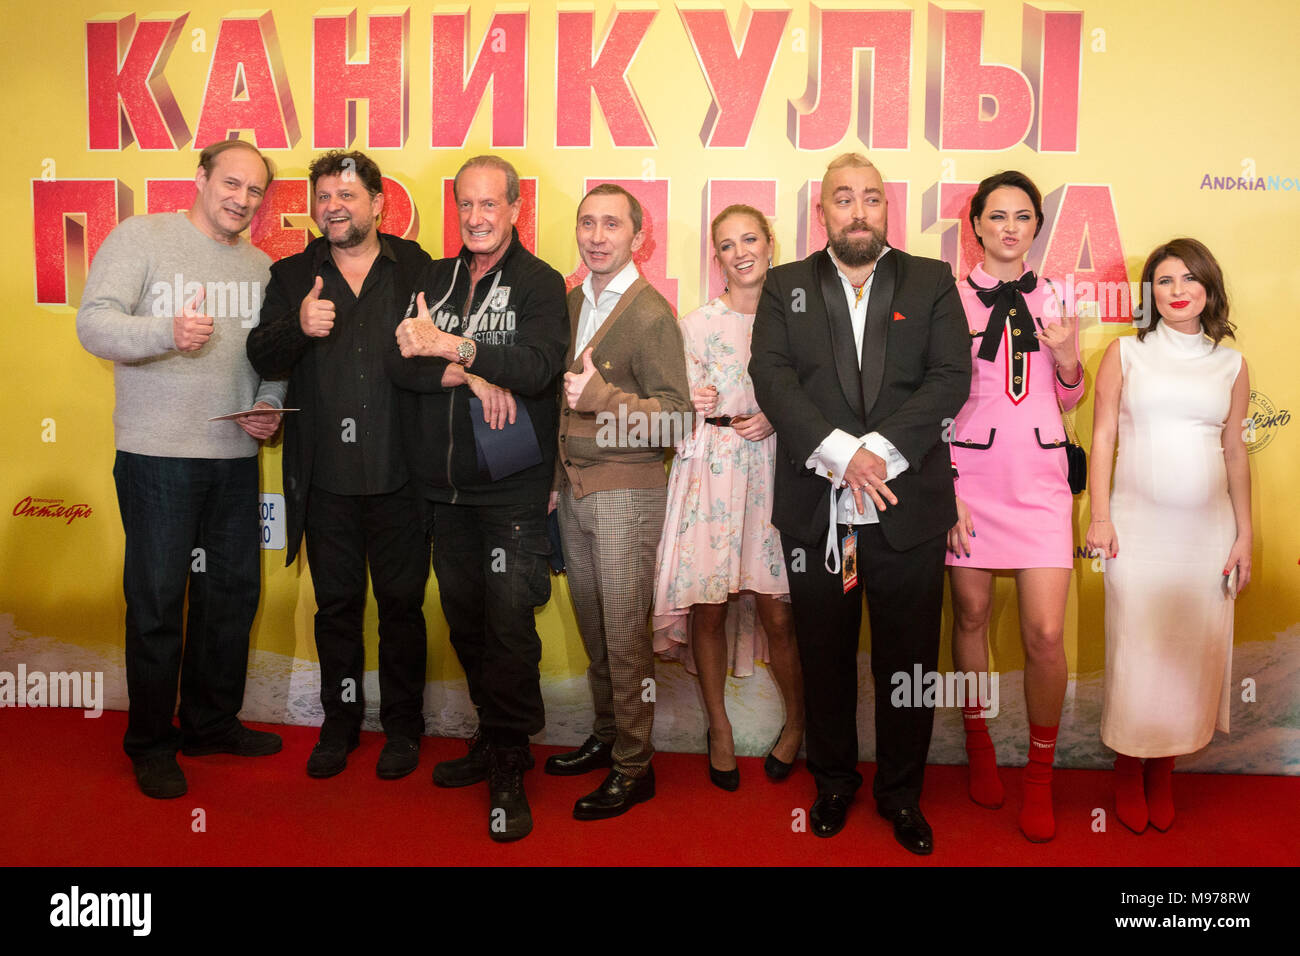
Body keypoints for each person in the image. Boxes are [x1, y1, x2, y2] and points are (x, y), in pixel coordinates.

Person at [749, 153, 971, 854]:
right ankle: (835, 781)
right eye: (842, 199)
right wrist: (845, 456)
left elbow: (948, 378)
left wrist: (878, 453)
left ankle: (902, 795)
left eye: (870, 198)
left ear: (885, 208)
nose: (857, 211)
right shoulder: (786, 286)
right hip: (820, 510)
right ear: (823, 211)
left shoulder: (931, 281)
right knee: (826, 654)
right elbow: (773, 379)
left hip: (907, 508)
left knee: (908, 665)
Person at [76, 138, 286, 799]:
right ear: (200, 178)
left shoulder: (261, 267)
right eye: (230, 183)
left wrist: (268, 405)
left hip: (233, 460)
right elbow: (94, 325)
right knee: (159, 603)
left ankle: (210, 723)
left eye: (254, 191)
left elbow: (270, 357)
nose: (240, 199)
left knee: (230, 600)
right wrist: (166, 332)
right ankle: (150, 742)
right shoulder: (142, 236)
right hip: (156, 456)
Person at [387, 155, 569, 842]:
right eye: (466, 204)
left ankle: (509, 760)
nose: (477, 217)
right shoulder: (434, 277)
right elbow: (395, 366)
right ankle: (494, 736)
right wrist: (468, 376)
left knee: (509, 626)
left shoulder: (541, 283)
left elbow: (537, 367)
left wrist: (452, 346)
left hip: (513, 490)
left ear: (516, 209)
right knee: (465, 621)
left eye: (491, 204)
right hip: (444, 491)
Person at [246, 150, 431, 781]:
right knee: (337, 610)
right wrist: (298, 326)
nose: (334, 207)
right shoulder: (293, 274)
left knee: (403, 608)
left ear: (378, 203)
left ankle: (405, 728)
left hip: (403, 478)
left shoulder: (419, 268)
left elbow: (451, 352)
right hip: (326, 482)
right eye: (325, 196)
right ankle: (341, 724)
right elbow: (261, 351)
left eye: (348, 195)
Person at [1087, 238, 1250, 834]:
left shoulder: (1230, 364)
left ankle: (1165, 769)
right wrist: (1100, 516)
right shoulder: (1124, 354)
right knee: (1138, 646)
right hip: (1136, 530)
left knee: (1188, 650)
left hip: (1208, 534)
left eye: (1189, 278)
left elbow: (1235, 452)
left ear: (1208, 287)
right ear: (1150, 292)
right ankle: (1129, 765)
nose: (1177, 290)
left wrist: (1245, 536)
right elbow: (1103, 437)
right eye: (1163, 280)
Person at [944, 171, 1084, 842]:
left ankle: (1041, 774)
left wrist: (1069, 358)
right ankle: (978, 745)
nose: (1008, 226)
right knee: (970, 611)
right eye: (995, 215)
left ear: (1035, 227)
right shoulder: (947, 299)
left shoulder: (1057, 295)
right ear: (975, 224)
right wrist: (943, 488)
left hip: (1040, 481)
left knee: (1046, 635)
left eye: (1021, 216)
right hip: (970, 478)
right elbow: (931, 400)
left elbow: (1071, 395)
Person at [546, 184, 692, 820]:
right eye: (587, 223)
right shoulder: (571, 300)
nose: (596, 235)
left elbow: (678, 421)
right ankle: (608, 738)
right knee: (595, 628)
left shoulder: (651, 312)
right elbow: (559, 403)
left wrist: (605, 399)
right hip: (574, 490)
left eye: (611, 224)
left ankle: (636, 768)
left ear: (640, 237)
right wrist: (555, 479)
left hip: (627, 494)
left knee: (626, 635)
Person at [650, 204, 803, 791]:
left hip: (773, 471)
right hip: (709, 470)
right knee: (708, 607)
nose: (740, 252)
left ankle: (796, 726)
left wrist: (775, 416)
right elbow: (667, 408)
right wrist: (687, 400)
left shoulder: (797, 319)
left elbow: (822, 398)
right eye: (726, 244)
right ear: (716, 259)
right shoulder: (694, 324)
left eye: (750, 239)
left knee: (777, 612)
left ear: (770, 244)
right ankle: (718, 729)